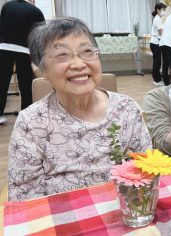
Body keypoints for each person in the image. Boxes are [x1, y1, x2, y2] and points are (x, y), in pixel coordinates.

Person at [8, 17, 152, 201]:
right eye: (62, 55)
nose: (78, 64)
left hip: (125, 212)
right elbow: (24, 197)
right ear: (41, 71)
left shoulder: (126, 108)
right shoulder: (31, 122)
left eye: (87, 51)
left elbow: (146, 170)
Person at [0, 0, 45, 125]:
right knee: (25, 83)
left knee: (2, 82)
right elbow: (39, 34)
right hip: (24, 49)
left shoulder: (7, 6)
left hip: (4, 47)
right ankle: (26, 113)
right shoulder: (36, 11)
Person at [150, 3, 167, 86]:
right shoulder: (157, 19)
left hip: (155, 43)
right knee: (157, 63)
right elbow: (162, 32)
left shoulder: (158, 18)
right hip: (155, 43)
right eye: (163, 9)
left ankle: (157, 78)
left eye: (164, 9)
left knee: (157, 62)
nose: (164, 11)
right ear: (158, 10)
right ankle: (157, 80)